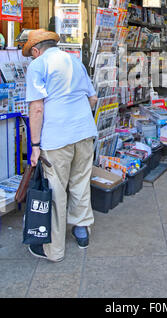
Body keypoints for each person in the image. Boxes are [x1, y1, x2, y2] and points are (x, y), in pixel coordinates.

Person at [22, 28, 98, 262]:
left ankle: (53, 249)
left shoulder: (38, 65)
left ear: (36, 50)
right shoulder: (75, 61)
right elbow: (92, 98)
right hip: (84, 133)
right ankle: (81, 230)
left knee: (55, 190)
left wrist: (35, 146)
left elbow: (36, 108)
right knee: (80, 182)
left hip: (56, 138)